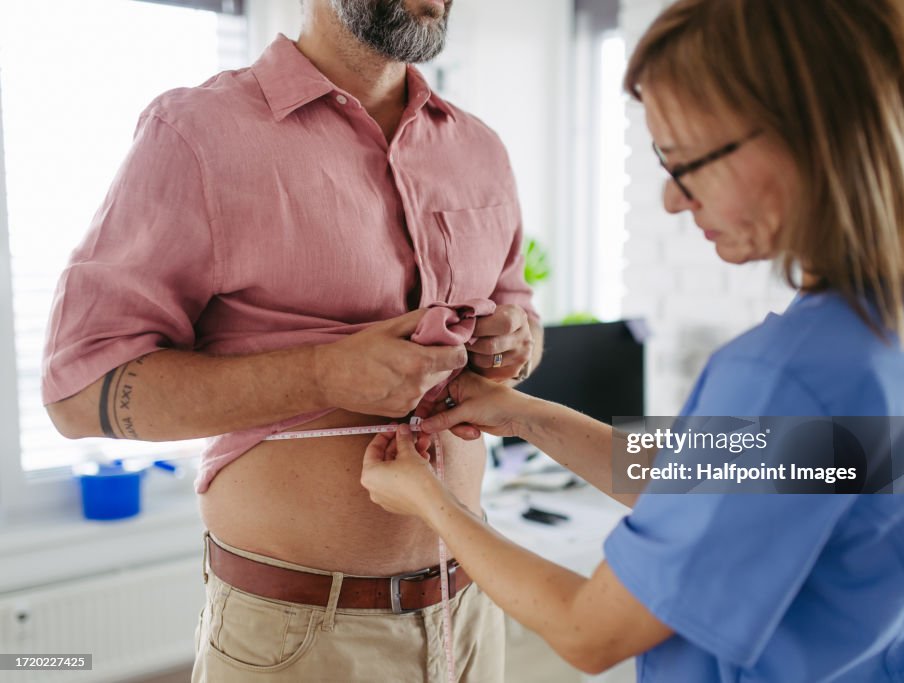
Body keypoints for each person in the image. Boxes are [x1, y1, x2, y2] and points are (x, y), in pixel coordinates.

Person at [360, 0, 904, 680]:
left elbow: (588, 629)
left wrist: (433, 502)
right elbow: (734, 480)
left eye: (685, 160)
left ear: (809, 134)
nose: (672, 198)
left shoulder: (787, 374)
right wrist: (519, 411)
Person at [42, 0, 542, 680]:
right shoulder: (197, 134)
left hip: (471, 616)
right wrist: (324, 375)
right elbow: (78, 393)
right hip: (299, 641)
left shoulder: (479, 148)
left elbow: (519, 317)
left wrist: (515, 343)